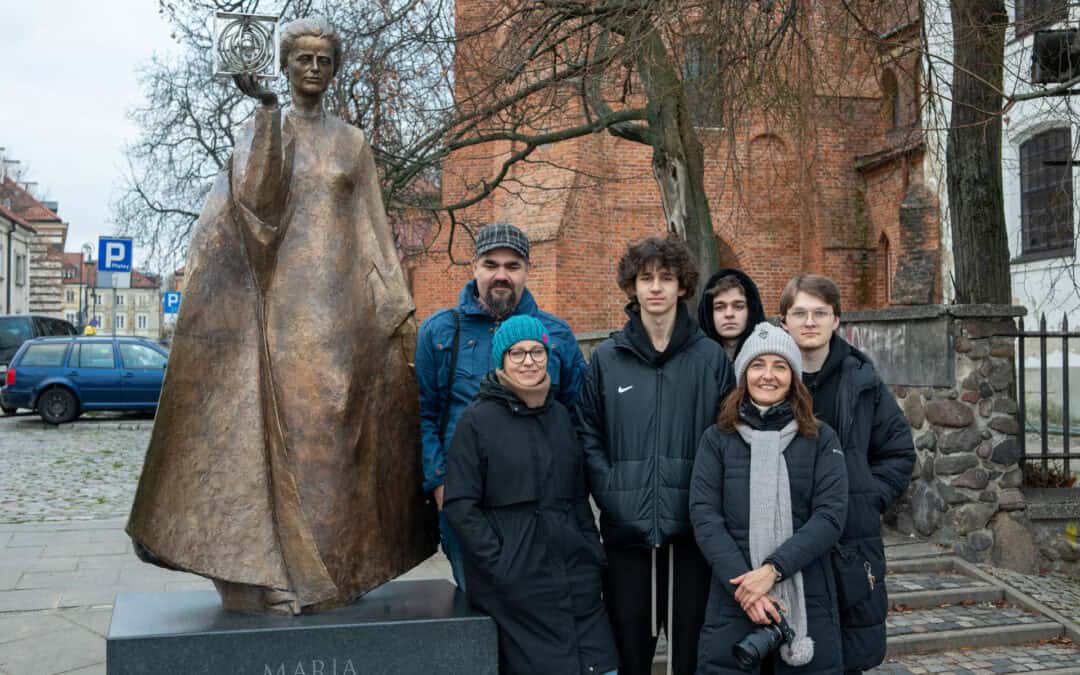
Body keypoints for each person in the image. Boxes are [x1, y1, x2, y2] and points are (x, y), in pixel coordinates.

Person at [127, 16, 435, 615]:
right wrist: (267, 111)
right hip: (282, 304)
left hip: (344, 308)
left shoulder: (353, 142)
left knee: (344, 431)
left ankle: (341, 567)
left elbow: (373, 228)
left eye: (324, 59)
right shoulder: (264, 128)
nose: (314, 69)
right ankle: (291, 575)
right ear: (287, 64)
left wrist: (395, 303)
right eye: (303, 59)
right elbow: (255, 208)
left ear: (334, 68)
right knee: (293, 430)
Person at [578, 236, 734, 675]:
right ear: (632, 287)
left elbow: (727, 439)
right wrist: (613, 493)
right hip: (627, 540)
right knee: (630, 661)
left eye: (666, 278)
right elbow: (588, 434)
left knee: (691, 661)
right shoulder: (607, 359)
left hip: (691, 540)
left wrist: (703, 503)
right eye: (645, 278)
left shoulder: (709, 359)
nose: (656, 288)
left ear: (683, 286)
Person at [443, 315, 619, 675]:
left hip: (575, 576)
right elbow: (461, 505)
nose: (528, 361)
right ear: (501, 359)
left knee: (601, 665)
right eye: (517, 353)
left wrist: (592, 552)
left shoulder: (559, 417)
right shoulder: (476, 421)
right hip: (517, 587)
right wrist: (501, 563)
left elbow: (577, 496)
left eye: (536, 351)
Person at [416, 223, 588, 589]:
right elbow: (422, 413)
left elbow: (579, 415)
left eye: (512, 266)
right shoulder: (440, 332)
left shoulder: (555, 334)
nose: (501, 275)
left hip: (539, 504)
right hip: (466, 502)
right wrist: (439, 481)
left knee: (535, 615)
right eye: (490, 264)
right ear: (473, 267)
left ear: (528, 270)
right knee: (477, 611)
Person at [690, 322, 847, 674]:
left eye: (780, 366)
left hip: (807, 593)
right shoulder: (717, 440)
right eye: (758, 366)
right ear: (744, 375)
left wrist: (773, 571)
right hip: (734, 596)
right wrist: (748, 587)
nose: (768, 376)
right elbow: (704, 517)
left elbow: (830, 516)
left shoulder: (822, 439)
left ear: (793, 376)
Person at [778, 274, 915, 673]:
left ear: (836, 319)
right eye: (799, 312)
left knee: (850, 651)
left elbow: (898, 452)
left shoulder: (862, 380)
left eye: (820, 312)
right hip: (786, 537)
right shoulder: (767, 377)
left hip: (850, 538)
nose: (809, 321)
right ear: (783, 320)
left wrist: (867, 497)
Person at [697, 269, 766, 361]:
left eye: (738, 307)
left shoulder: (769, 353)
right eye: (719, 308)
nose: (729, 314)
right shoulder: (694, 357)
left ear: (750, 311)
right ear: (709, 314)